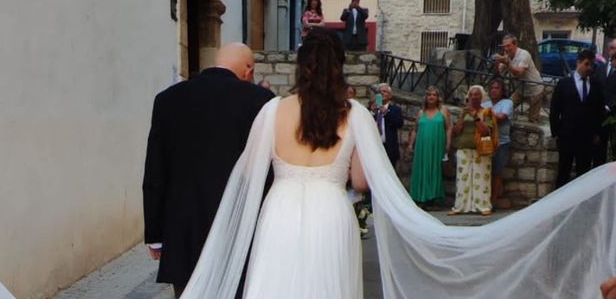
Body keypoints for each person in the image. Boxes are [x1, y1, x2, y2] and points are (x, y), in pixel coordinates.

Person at [181, 31, 616, 299]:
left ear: (300, 69)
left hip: (277, 215)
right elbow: (362, 180)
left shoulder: (271, 110)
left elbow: (247, 178)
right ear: (339, 68)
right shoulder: (353, 113)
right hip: (330, 217)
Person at [142, 43, 274, 298]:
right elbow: (268, 170)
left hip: (183, 229)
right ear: (248, 69)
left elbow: (155, 171)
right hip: (238, 225)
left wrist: (155, 234)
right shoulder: (261, 101)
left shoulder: (168, 100)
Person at [550, 49, 605, 189]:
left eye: (592, 65)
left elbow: (599, 112)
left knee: (583, 173)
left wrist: (597, 133)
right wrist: (556, 133)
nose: (589, 68)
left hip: (586, 139)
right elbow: (555, 110)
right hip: (567, 136)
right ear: (578, 62)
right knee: (563, 172)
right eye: (586, 64)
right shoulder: (564, 84)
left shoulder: (595, 86)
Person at [449, 85, 495, 216]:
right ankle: (461, 206)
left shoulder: (487, 112)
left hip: (480, 149)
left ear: (482, 97)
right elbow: (456, 131)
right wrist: (463, 118)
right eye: (472, 95)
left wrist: (475, 117)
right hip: (464, 147)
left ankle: (483, 205)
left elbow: (486, 131)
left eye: (477, 95)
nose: (474, 97)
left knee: (481, 177)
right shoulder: (463, 112)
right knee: (462, 178)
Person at [407, 86, 452, 210]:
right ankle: (421, 198)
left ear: (438, 98)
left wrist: (448, 144)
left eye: (434, 95)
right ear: (426, 97)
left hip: (437, 145)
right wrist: (411, 144)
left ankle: (434, 199)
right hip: (422, 145)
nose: (431, 97)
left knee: (435, 169)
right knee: (421, 169)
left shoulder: (443, 111)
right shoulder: (421, 112)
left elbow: (448, 128)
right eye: (429, 95)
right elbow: (415, 129)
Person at [493, 34, 544, 123]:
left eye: (508, 46)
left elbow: (519, 73)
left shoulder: (524, 55)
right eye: (504, 46)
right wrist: (497, 62)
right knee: (506, 107)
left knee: (533, 119)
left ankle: (533, 134)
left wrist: (507, 63)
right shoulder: (507, 56)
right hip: (520, 90)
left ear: (515, 44)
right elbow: (499, 73)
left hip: (534, 90)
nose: (506, 49)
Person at [482, 79, 513, 207]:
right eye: (492, 88)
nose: (494, 90)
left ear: (502, 91)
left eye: (497, 88)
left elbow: (502, 117)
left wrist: (487, 114)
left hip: (501, 142)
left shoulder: (507, 103)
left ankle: (493, 201)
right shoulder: (486, 104)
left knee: (497, 171)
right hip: (486, 141)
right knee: (485, 170)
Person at [593, 38, 616, 166]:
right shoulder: (599, 68)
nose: (613, 52)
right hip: (600, 117)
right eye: (612, 48)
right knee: (598, 153)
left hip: (613, 116)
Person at [372, 83, 404, 168]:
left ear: (390, 95)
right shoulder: (373, 109)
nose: (382, 93)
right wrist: (372, 112)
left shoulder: (395, 109)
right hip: (375, 147)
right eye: (379, 92)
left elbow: (399, 123)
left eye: (384, 91)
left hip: (389, 147)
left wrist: (386, 113)